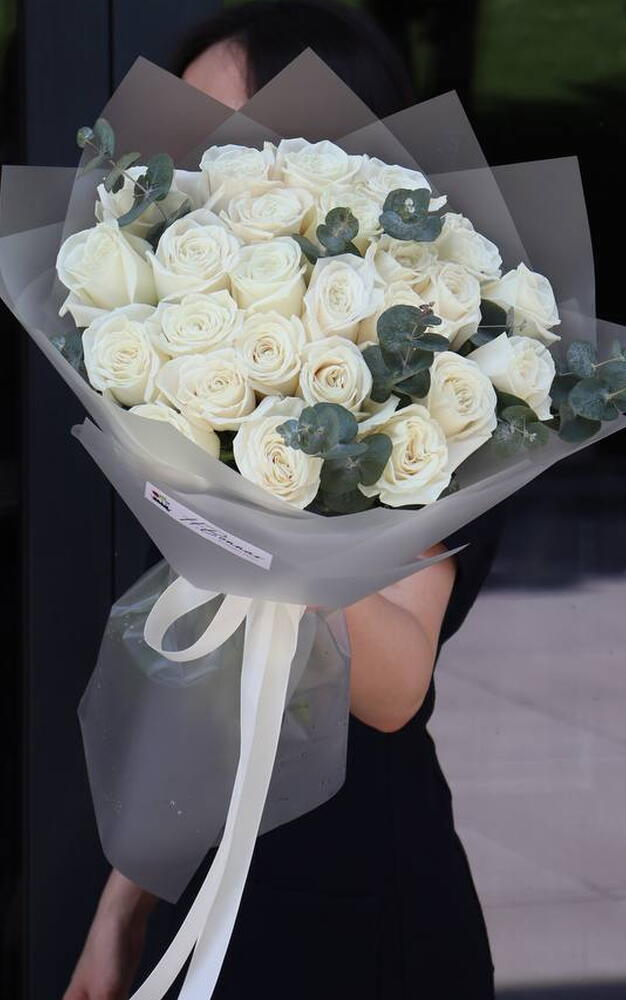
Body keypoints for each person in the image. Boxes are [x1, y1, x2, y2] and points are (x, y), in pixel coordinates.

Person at [63, 4, 502, 998]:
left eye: (228, 134)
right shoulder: (208, 365)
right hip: (211, 876)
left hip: (354, 896)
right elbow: (213, 687)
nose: (195, 165)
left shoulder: (435, 371)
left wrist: (261, 504)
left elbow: (391, 688)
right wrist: (122, 909)